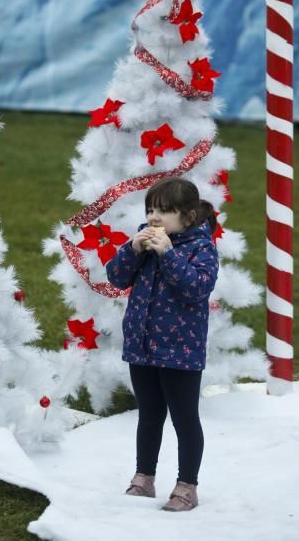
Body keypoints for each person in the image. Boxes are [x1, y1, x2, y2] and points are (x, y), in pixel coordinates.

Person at [106, 176, 219, 512]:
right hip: (142, 345)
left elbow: (196, 289)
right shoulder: (146, 242)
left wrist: (169, 255)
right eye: (151, 209)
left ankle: (187, 486)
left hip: (181, 350)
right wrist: (132, 250)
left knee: (184, 418)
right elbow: (116, 277)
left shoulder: (202, 248)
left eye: (164, 211)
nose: (154, 217)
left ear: (188, 216)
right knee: (150, 415)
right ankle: (144, 477)